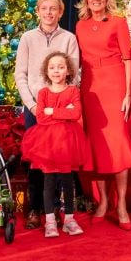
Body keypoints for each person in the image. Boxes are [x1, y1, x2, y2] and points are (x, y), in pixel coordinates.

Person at [14, 0, 81, 230]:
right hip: (36, 106)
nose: (49, 13)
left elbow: (74, 75)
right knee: (38, 160)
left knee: (61, 160)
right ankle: (35, 208)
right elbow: (20, 74)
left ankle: (63, 209)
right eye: (45, 8)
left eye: (54, 9)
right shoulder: (28, 38)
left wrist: (63, 106)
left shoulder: (69, 38)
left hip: (62, 109)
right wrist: (31, 104)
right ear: (38, 11)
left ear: (60, 12)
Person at [75, 0, 131, 229]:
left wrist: (128, 94)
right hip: (90, 88)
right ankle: (102, 202)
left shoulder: (118, 22)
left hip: (114, 85)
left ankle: (121, 204)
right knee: (98, 145)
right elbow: (77, 62)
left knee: (118, 144)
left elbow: (128, 59)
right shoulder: (80, 25)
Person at [20, 51, 91, 238]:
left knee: (67, 182)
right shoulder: (43, 93)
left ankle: (69, 219)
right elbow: (41, 118)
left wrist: (53, 111)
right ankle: (50, 221)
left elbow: (76, 113)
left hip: (67, 143)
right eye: (52, 68)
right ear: (46, 71)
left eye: (60, 67)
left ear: (68, 71)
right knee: (49, 182)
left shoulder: (73, 91)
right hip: (48, 144)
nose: (56, 71)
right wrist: (61, 111)